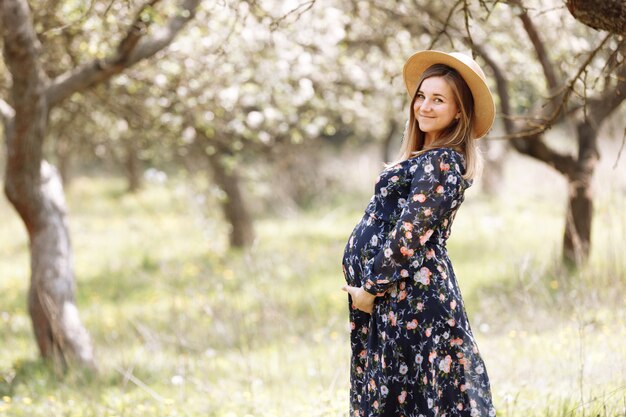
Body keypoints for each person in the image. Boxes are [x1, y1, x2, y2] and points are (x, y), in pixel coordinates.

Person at [341, 50, 497, 417]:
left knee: (419, 397)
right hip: (397, 299)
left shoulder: (442, 161)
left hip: (413, 299)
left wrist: (371, 289)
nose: (425, 106)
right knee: (397, 394)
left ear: (459, 111)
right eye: (422, 96)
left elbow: (408, 233)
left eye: (438, 99)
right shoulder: (424, 156)